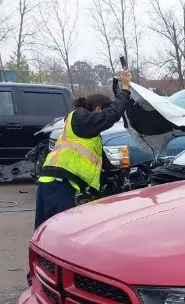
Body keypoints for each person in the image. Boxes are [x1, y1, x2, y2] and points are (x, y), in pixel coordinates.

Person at [34, 68, 134, 229]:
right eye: (103, 112)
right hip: (59, 184)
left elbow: (100, 161)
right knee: (59, 233)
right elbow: (112, 115)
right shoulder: (80, 117)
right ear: (98, 109)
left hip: (53, 183)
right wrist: (125, 89)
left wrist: (119, 174)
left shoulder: (86, 131)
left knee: (47, 230)